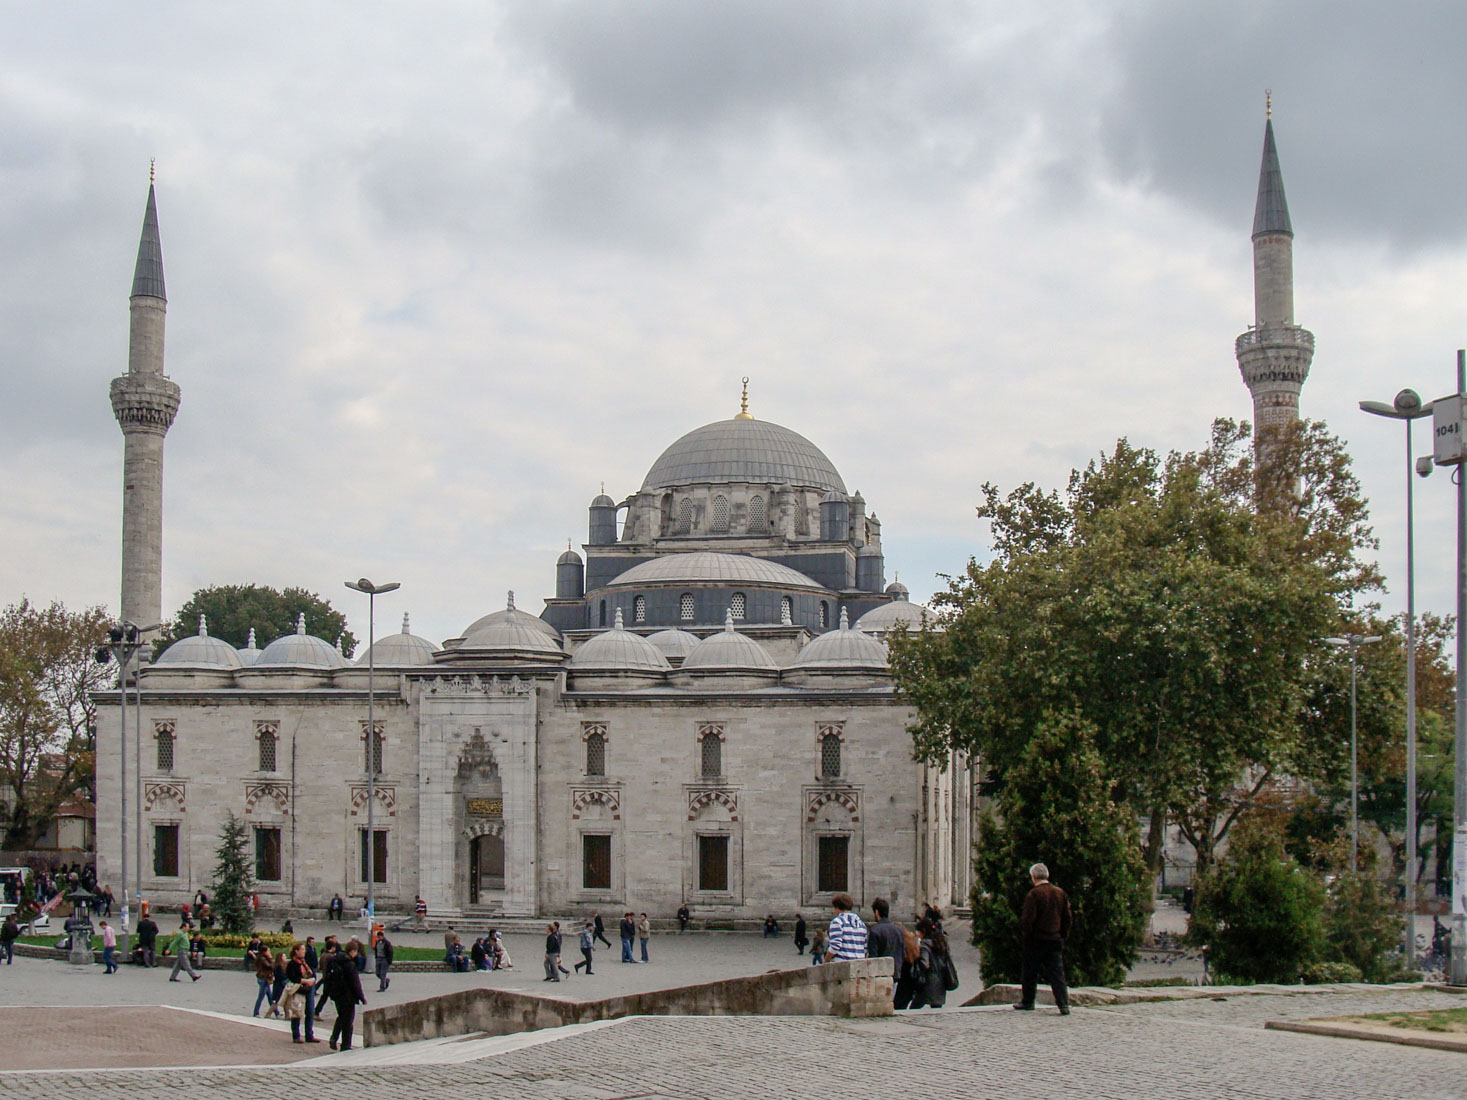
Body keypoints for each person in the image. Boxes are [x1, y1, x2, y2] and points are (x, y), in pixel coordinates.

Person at [1015, 862, 1071, 1015]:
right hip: (1055, 939)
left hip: (1036, 939)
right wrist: (1062, 935)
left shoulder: (1034, 894)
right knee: (1057, 974)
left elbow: (1027, 920)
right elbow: (1067, 918)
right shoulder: (1060, 893)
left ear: (1033, 877)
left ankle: (1028, 1001)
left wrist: (1026, 937)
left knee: (1030, 972)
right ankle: (1063, 1004)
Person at [328, 939, 367, 1051]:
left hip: (336, 994)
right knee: (348, 1021)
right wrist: (362, 997)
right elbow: (355, 983)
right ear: (353, 951)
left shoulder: (335, 960)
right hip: (348, 996)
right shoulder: (349, 964)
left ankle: (334, 1038)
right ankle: (345, 1045)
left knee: (341, 1017)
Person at [908, 916, 954, 1010]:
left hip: (928, 983)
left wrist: (917, 964)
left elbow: (925, 963)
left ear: (923, 931)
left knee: (914, 1008)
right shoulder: (941, 942)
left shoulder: (924, 945)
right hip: (940, 981)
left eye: (919, 932)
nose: (918, 934)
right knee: (936, 1010)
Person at [282, 942, 321, 1044]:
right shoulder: (292, 964)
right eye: (302, 949)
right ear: (296, 951)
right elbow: (293, 978)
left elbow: (310, 973)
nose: (304, 951)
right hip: (299, 990)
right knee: (297, 1012)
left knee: (310, 1011)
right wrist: (305, 981)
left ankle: (309, 1035)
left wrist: (311, 980)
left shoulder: (304, 962)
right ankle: (296, 1035)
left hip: (309, 989)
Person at [865, 897, 905, 997]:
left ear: (877, 912)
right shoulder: (898, 930)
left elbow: (873, 956)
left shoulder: (875, 930)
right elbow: (902, 952)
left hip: (881, 974)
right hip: (896, 972)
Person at [823, 893, 868, 963]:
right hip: (858, 965)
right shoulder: (862, 924)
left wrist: (826, 959)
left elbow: (835, 946)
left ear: (837, 907)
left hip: (842, 964)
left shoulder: (837, 922)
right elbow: (865, 948)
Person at [253, 946, 277, 1016]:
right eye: (268, 951)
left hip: (264, 978)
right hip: (264, 979)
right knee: (261, 996)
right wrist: (270, 958)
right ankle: (256, 1012)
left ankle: (276, 1012)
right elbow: (271, 966)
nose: (269, 952)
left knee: (270, 996)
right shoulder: (262, 959)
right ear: (264, 952)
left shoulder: (261, 958)